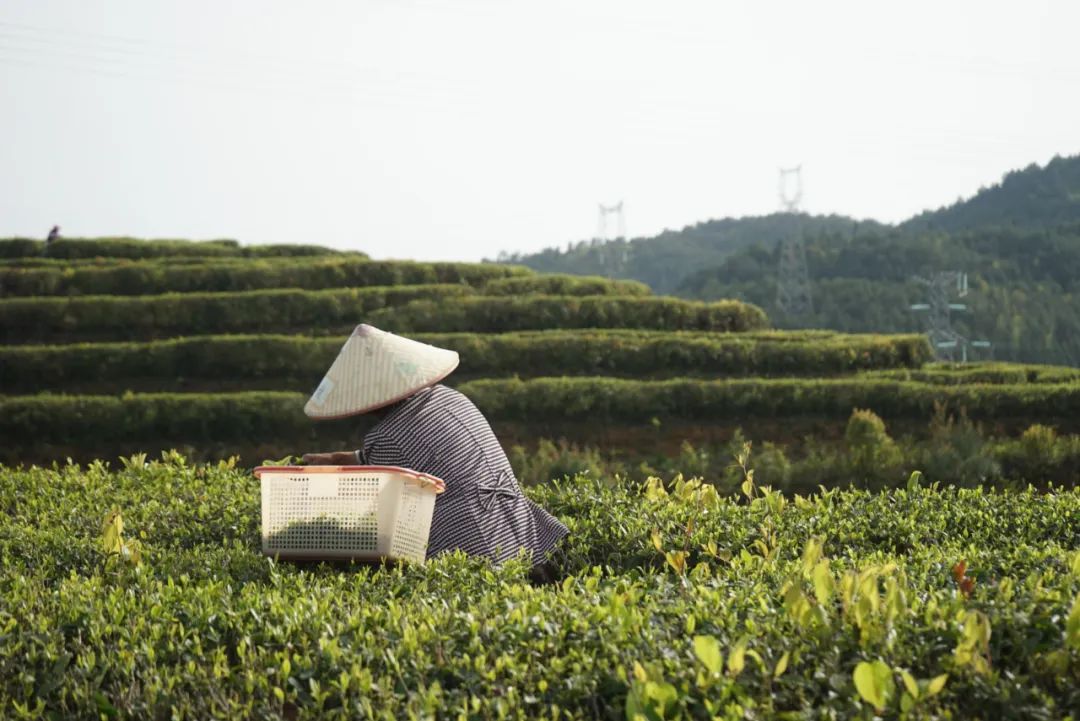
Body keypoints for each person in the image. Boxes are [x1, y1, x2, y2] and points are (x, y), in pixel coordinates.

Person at [302, 324, 568, 582]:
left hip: (474, 544)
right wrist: (338, 460)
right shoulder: (451, 398)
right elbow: (423, 451)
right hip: (525, 529)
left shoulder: (385, 436)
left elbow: (382, 511)